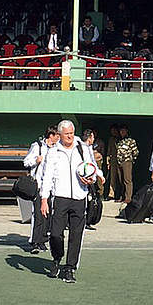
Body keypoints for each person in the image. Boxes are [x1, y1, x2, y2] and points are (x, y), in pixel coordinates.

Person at [38, 120, 98, 284]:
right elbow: (47, 176)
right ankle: (57, 258)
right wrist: (44, 198)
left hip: (79, 198)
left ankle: (70, 268)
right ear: (60, 135)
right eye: (67, 134)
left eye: (72, 132)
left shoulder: (82, 148)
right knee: (56, 233)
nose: (70, 136)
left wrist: (91, 179)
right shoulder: (53, 152)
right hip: (61, 198)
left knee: (76, 234)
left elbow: (91, 167)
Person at [23, 125, 60, 253]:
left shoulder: (57, 149)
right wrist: (35, 160)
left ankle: (43, 240)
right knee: (38, 214)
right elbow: (26, 161)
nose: (59, 138)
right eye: (57, 135)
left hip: (52, 187)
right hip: (38, 185)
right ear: (51, 135)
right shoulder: (37, 146)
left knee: (48, 215)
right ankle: (34, 241)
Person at [111, 125, 138, 204]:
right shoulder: (119, 141)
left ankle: (128, 197)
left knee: (127, 180)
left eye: (123, 131)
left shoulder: (130, 141)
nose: (122, 133)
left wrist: (131, 160)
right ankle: (122, 196)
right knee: (120, 180)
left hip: (127, 162)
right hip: (119, 162)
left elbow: (135, 152)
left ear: (126, 131)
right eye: (121, 131)